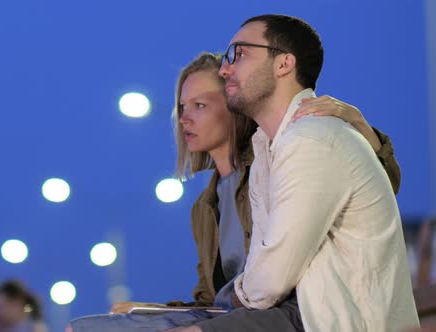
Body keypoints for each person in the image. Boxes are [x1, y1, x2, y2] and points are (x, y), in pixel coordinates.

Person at [67, 50, 401, 331]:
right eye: (181, 107)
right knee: (83, 327)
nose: (185, 119)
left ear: (233, 104)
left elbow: (378, 185)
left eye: (200, 105)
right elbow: (209, 300)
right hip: (229, 316)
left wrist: (359, 125)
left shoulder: (271, 164)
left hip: (287, 314)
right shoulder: (205, 205)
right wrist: (150, 308)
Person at [173, 14, 418, 332]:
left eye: (239, 53)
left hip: (320, 317)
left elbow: (271, 278)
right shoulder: (264, 153)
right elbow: (239, 286)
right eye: (181, 108)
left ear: (284, 64)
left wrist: (361, 127)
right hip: (282, 310)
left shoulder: (309, 139)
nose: (226, 68)